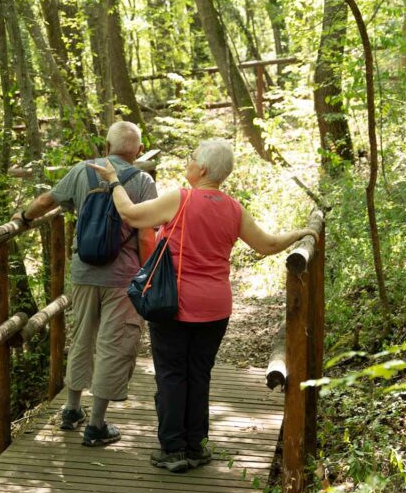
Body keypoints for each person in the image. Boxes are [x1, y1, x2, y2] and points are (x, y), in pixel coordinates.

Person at [88, 139, 318, 471]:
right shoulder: (233, 208)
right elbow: (267, 244)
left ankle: (172, 450)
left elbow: (130, 214)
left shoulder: (180, 198)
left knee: (171, 375)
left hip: (174, 304)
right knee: (199, 375)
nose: (189, 161)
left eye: (192, 157)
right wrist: (301, 233)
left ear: (204, 169)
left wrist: (113, 180)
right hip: (215, 309)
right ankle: (199, 446)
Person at [12, 121, 158, 446]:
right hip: (121, 278)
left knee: (82, 338)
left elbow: (48, 200)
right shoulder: (143, 180)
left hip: (83, 272)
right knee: (112, 343)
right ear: (136, 152)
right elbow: (147, 235)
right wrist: (148, 275)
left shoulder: (83, 170)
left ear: (106, 147)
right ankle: (97, 424)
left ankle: (70, 408)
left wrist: (22, 218)